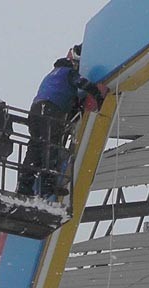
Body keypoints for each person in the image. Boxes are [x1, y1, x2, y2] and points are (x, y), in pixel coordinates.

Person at [16, 44, 106, 198]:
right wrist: (97, 93)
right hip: (50, 110)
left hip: (36, 111)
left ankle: (25, 185)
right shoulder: (68, 73)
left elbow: (68, 99)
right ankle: (47, 186)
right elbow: (81, 83)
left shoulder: (53, 75)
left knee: (36, 147)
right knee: (51, 147)